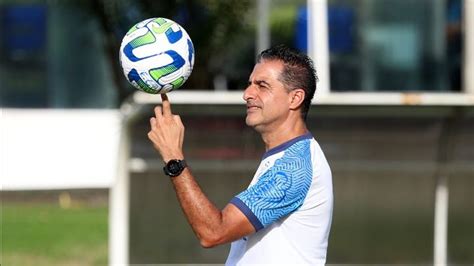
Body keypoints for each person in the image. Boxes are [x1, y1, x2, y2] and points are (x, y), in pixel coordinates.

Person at [148, 44, 333, 265]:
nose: (247, 94)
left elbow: (214, 232)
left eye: (262, 85)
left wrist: (173, 157)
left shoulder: (293, 168)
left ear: (295, 98)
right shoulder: (283, 157)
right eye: (249, 84)